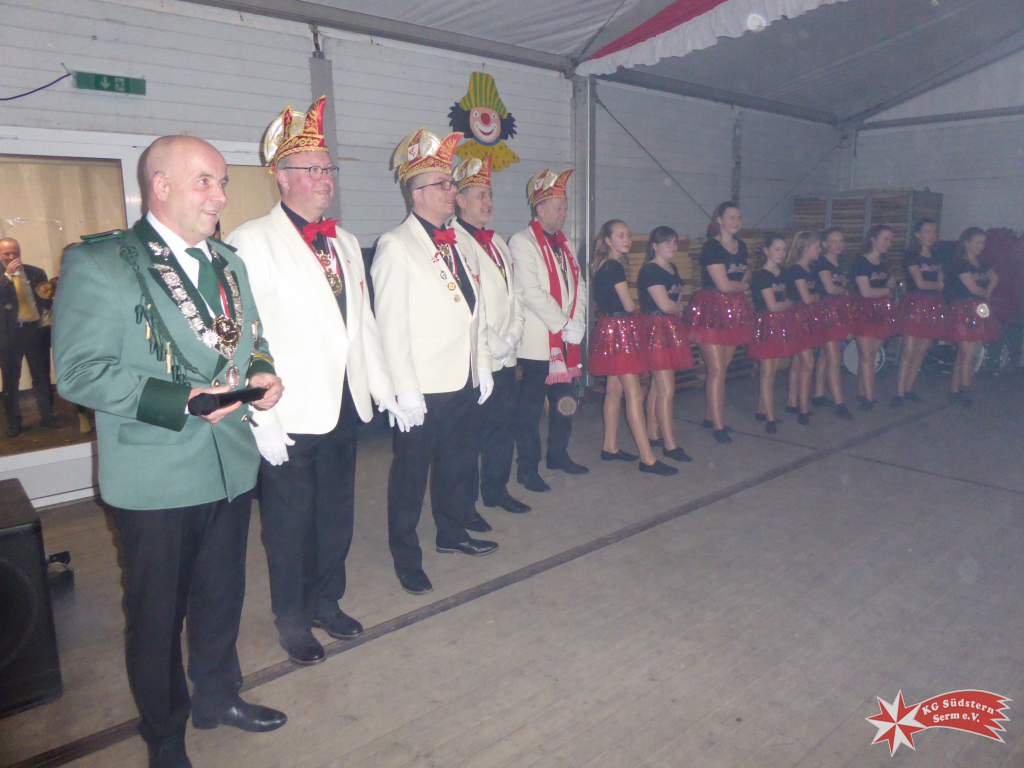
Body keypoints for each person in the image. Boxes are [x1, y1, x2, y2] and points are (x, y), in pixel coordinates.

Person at [52, 135, 287, 768]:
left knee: (221, 597)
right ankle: (165, 734)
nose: (220, 195)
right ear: (159, 186)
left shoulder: (228, 262)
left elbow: (251, 337)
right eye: (204, 181)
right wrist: (180, 399)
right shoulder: (103, 262)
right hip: (153, 476)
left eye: (222, 182)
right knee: (157, 617)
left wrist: (261, 372)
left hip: (229, 465)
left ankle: (218, 697)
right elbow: (77, 372)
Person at [226, 98, 410, 666]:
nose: (326, 178)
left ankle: (327, 601)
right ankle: (291, 619)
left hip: (343, 406)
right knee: (288, 526)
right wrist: (259, 414)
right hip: (289, 411)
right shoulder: (251, 240)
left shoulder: (346, 243)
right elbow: (240, 336)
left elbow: (362, 324)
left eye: (329, 168)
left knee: (335, 518)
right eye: (313, 169)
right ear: (282, 178)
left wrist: (385, 387)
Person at [372, 127, 497, 596]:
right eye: (443, 184)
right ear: (417, 194)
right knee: (409, 476)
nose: (452, 190)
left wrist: (481, 363)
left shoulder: (459, 241)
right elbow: (390, 325)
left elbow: (473, 309)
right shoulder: (396, 245)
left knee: (457, 464)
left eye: (451, 182)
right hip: (422, 386)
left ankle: (452, 532)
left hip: (461, 378)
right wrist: (404, 389)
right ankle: (406, 556)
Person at [450, 156, 531, 515]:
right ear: (460, 200)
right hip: (476, 357)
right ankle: (465, 506)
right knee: (470, 436)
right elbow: (466, 303)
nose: (488, 201)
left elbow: (516, 293)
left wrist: (514, 334)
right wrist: (493, 341)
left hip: (506, 354)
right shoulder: (452, 241)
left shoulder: (497, 240)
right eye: (480, 195)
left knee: (502, 427)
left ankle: (496, 489)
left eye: (490, 194)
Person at [510, 168, 588, 491]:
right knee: (529, 411)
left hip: (566, 340)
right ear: (539, 209)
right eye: (558, 207)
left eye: (565, 206)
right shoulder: (522, 242)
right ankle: (527, 468)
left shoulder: (565, 244)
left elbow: (579, 285)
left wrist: (577, 322)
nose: (564, 212)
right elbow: (531, 292)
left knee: (565, 402)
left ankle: (558, 454)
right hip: (538, 343)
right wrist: (564, 324)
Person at [588, 220, 676, 476]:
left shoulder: (602, 265)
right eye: (620, 235)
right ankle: (647, 458)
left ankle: (610, 446)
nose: (626, 240)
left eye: (627, 235)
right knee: (634, 394)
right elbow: (627, 305)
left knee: (614, 390)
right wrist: (636, 310)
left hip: (608, 327)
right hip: (619, 330)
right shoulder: (615, 266)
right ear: (608, 240)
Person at [684, 201, 752, 443]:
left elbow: (744, 273)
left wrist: (741, 285)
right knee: (716, 370)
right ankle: (718, 425)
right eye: (731, 217)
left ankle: (710, 416)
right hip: (712, 309)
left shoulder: (741, 246)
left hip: (734, 310)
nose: (736, 221)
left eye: (739, 217)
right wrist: (744, 285)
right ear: (719, 220)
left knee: (722, 369)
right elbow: (723, 285)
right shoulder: (712, 247)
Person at [637, 226, 695, 459]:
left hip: (669, 327)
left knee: (657, 386)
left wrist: (677, 308)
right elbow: (665, 304)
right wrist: (680, 307)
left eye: (674, 241)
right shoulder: (650, 270)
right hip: (655, 329)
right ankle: (670, 445)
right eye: (667, 242)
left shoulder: (672, 268)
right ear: (655, 246)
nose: (673, 246)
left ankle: (652, 432)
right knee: (666, 389)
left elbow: (673, 302)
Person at [0, 237, 56, 436]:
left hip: (34, 332)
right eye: (6, 253)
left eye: (15, 252)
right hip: (8, 336)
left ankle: (48, 417)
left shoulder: (35, 272)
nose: (11, 256)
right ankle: (14, 424)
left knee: (42, 378)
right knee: (10, 383)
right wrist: (7, 277)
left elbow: (46, 299)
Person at [893, 219, 946, 406]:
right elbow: (920, 283)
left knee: (921, 350)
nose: (932, 235)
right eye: (927, 231)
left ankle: (909, 389)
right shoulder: (912, 256)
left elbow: (941, 284)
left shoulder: (937, 256)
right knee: (908, 350)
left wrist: (937, 285)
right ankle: (899, 393)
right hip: (915, 303)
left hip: (932, 304)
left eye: (934, 231)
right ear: (918, 234)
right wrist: (937, 284)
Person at [944, 227, 999, 406]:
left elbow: (995, 278)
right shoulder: (960, 263)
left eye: (983, 242)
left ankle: (955, 389)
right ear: (966, 243)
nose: (981, 246)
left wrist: (988, 292)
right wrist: (986, 294)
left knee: (965, 352)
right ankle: (965, 390)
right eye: (978, 242)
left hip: (977, 309)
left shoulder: (982, 263)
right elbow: (972, 288)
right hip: (963, 309)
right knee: (968, 352)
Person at [747, 234, 795, 434]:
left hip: (779, 322)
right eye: (777, 249)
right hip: (766, 323)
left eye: (784, 249)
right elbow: (773, 305)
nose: (781, 253)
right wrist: (788, 304)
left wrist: (785, 304)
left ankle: (762, 409)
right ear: (766, 251)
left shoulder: (782, 273)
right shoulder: (762, 276)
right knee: (767, 371)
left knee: (773, 369)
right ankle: (770, 417)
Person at [849, 224, 898, 409]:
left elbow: (892, 283)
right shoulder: (860, 262)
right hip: (864, 310)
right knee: (866, 356)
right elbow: (866, 292)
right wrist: (886, 291)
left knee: (872, 354)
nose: (888, 243)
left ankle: (861, 392)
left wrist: (888, 290)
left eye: (890, 240)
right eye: (885, 239)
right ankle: (869, 397)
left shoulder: (885, 262)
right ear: (873, 239)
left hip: (881, 310)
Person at [810, 228, 856, 421]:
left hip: (837, 309)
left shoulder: (841, 263)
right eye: (834, 241)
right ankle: (839, 403)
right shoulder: (822, 263)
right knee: (834, 358)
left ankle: (819, 394)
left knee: (825, 355)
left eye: (841, 241)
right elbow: (829, 288)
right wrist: (842, 289)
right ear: (824, 244)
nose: (838, 245)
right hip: (825, 311)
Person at [782, 231, 825, 425]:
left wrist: (814, 297)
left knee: (798, 363)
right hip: (797, 318)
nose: (819, 250)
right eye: (817, 246)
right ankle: (804, 408)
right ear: (806, 248)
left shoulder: (810, 268)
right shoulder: (796, 270)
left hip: (807, 317)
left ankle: (792, 402)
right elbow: (807, 298)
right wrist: (815, 297)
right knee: (807, 362)